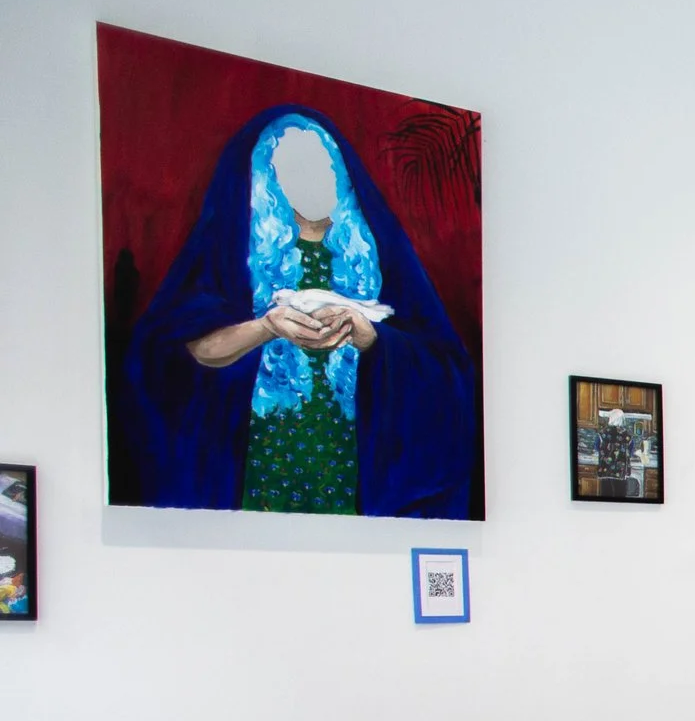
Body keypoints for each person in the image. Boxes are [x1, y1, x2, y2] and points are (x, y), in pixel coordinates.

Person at [123, 106, 479, 517]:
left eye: (323, 165)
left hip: (353, 457)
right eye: (294, 167)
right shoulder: (230, 249)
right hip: (262, 454)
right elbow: (175, 355)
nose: (314, 179)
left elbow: (447, 371)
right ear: (269, 176)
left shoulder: (381, 251)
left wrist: (372, 339)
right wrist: (266, 328)